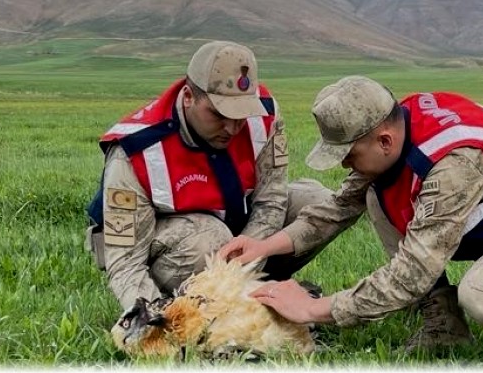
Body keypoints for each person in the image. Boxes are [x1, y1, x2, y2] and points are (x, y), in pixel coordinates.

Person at [219, 75, 483, 357]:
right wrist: (263, 245)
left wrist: (314, 310)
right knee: (377, 195)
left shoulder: (454, 166)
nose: (344, 167)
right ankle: (444, 325)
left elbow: (412, 273)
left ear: (384, 140)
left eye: (348, 155)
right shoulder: (396, 124)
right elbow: (338, 208)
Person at [85, 40, 331, 310]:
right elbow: (126, 262)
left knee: (319, 203)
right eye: (218, 114)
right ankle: (197, 304)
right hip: (172, 243)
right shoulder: (135, 151)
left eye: (241, 114)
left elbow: (271, 200)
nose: (232, 127)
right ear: (189, 96)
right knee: (211, 237)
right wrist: (152, 319)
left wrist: (244, 267)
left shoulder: (265, 114)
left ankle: (251, 292)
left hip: (236, 228)